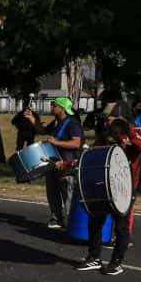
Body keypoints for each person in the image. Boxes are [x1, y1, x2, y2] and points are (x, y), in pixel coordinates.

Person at [72, 118, 141, 275]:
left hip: (126, 187)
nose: (110, 122)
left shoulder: (137, 132)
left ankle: (116, 263)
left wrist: (127, 132)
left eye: (114, 119)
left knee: (121, 225)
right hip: (104, 185)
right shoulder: (106, 136)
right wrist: (69, 164)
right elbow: (92, 155)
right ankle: (94, 257)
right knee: (95, 221)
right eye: (108, 120)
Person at [42, 96, 84, 229]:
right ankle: (56, 218)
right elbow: (42, 131)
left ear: (62, 108)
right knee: (52, 191)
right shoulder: (56, 122)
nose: (52, 107)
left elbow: (77, 143)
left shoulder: (72, 123)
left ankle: (71, 221)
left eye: (54, 105)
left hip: (67, 162)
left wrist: (56, 142)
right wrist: (31, 119)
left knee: (67, 192)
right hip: (53, 161)